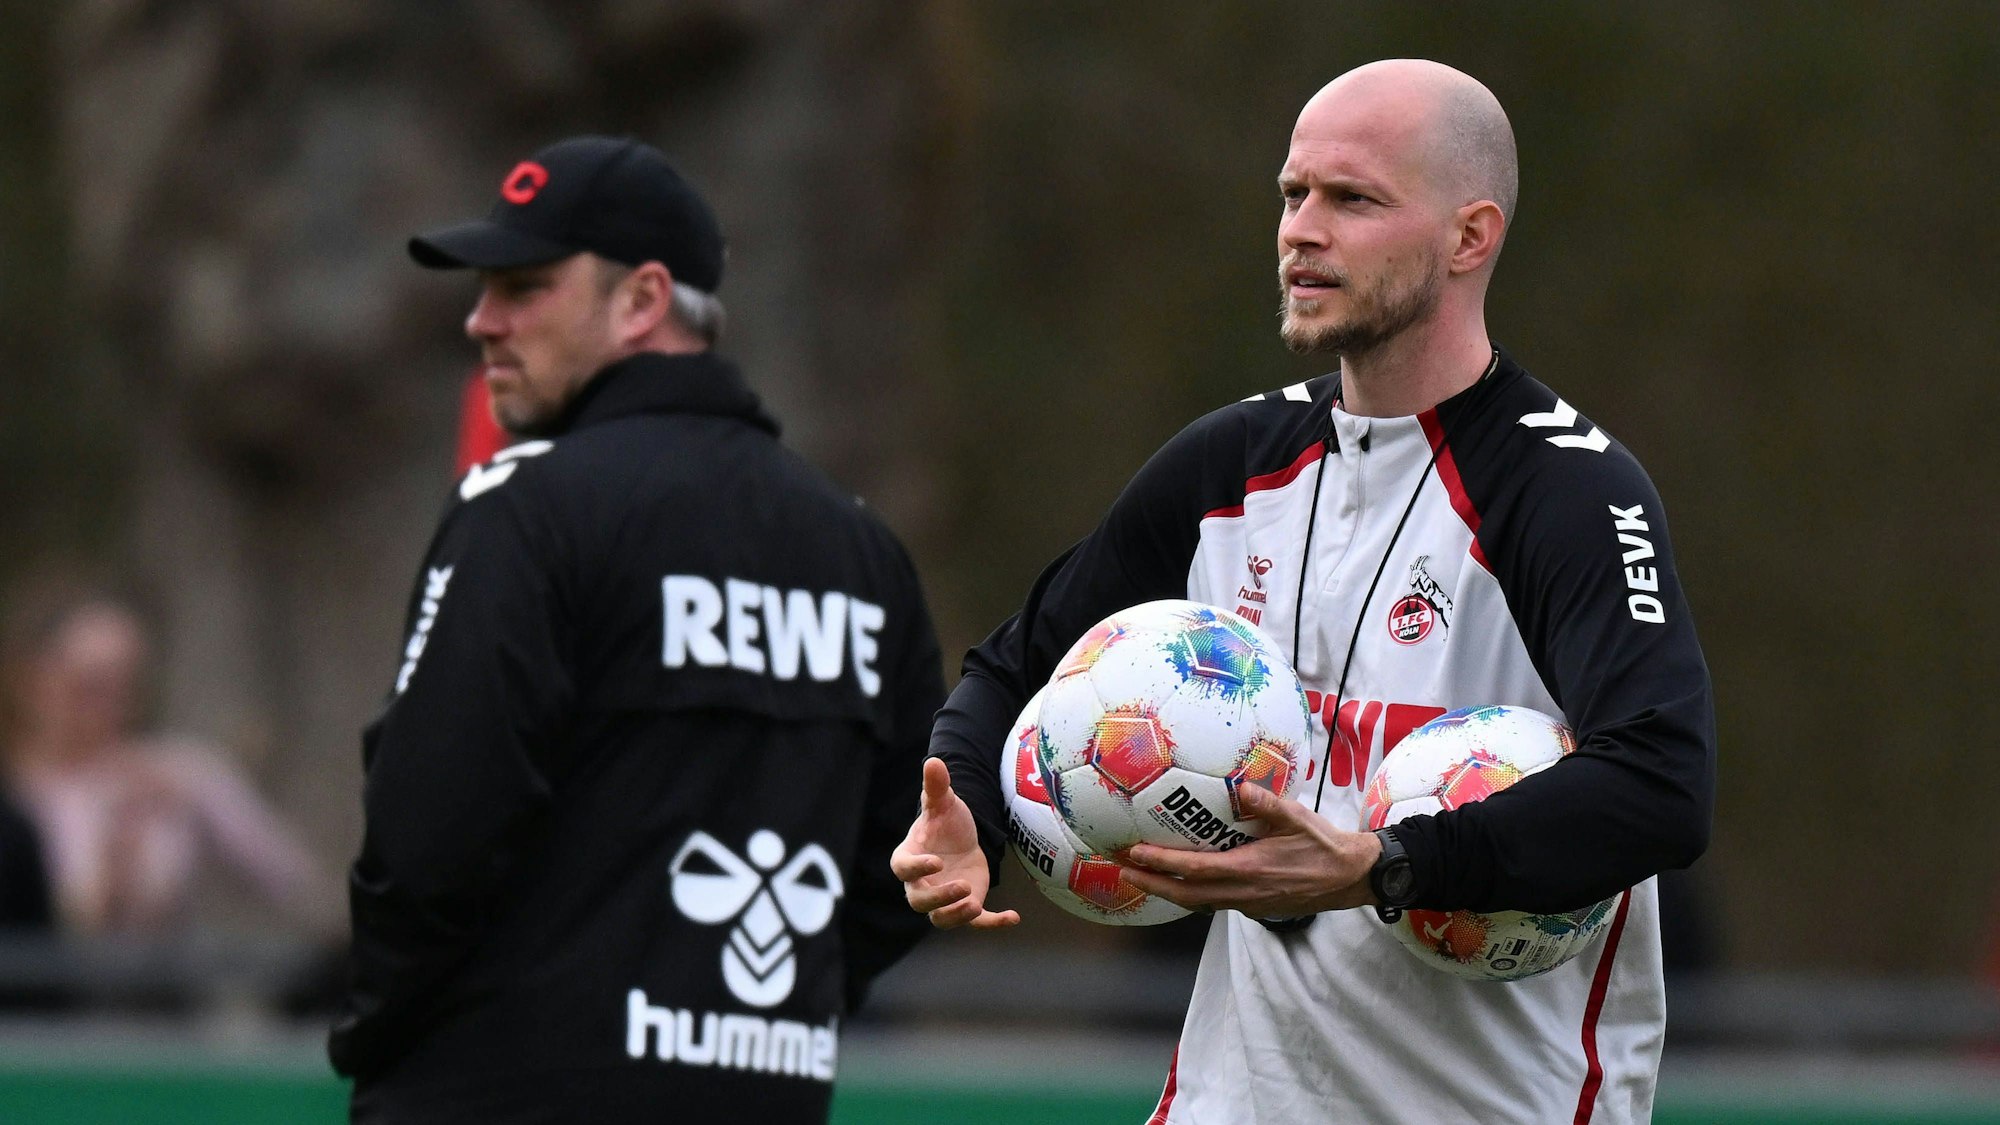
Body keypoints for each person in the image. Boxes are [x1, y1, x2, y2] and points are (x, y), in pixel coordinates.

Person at [895, 60, 1715, 1124]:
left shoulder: (1562, 490)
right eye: (1293, 194)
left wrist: (1386, 866)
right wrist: (968, 804)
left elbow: (1660, 782)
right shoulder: (1226, 464)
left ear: (1469, 237)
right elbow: (1021, 663)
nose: (1300, 230)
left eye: (1352, 199)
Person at [330, 135, 943, 1124]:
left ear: (643, 300)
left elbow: (427, 829)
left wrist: (375, 1031)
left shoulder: (526, 508)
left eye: (523, 286)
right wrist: (776, 1013)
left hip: (496, 1090)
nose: (482, 320)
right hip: (758, 1091)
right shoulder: (859, 549)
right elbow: (924, 845)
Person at [0, 583, 326, 938]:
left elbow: (294, 883)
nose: (112, 708)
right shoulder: (18, 792)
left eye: (126, 687)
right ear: (31, 679)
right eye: (90, 688)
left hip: (160, 987)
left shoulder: (179, 771)